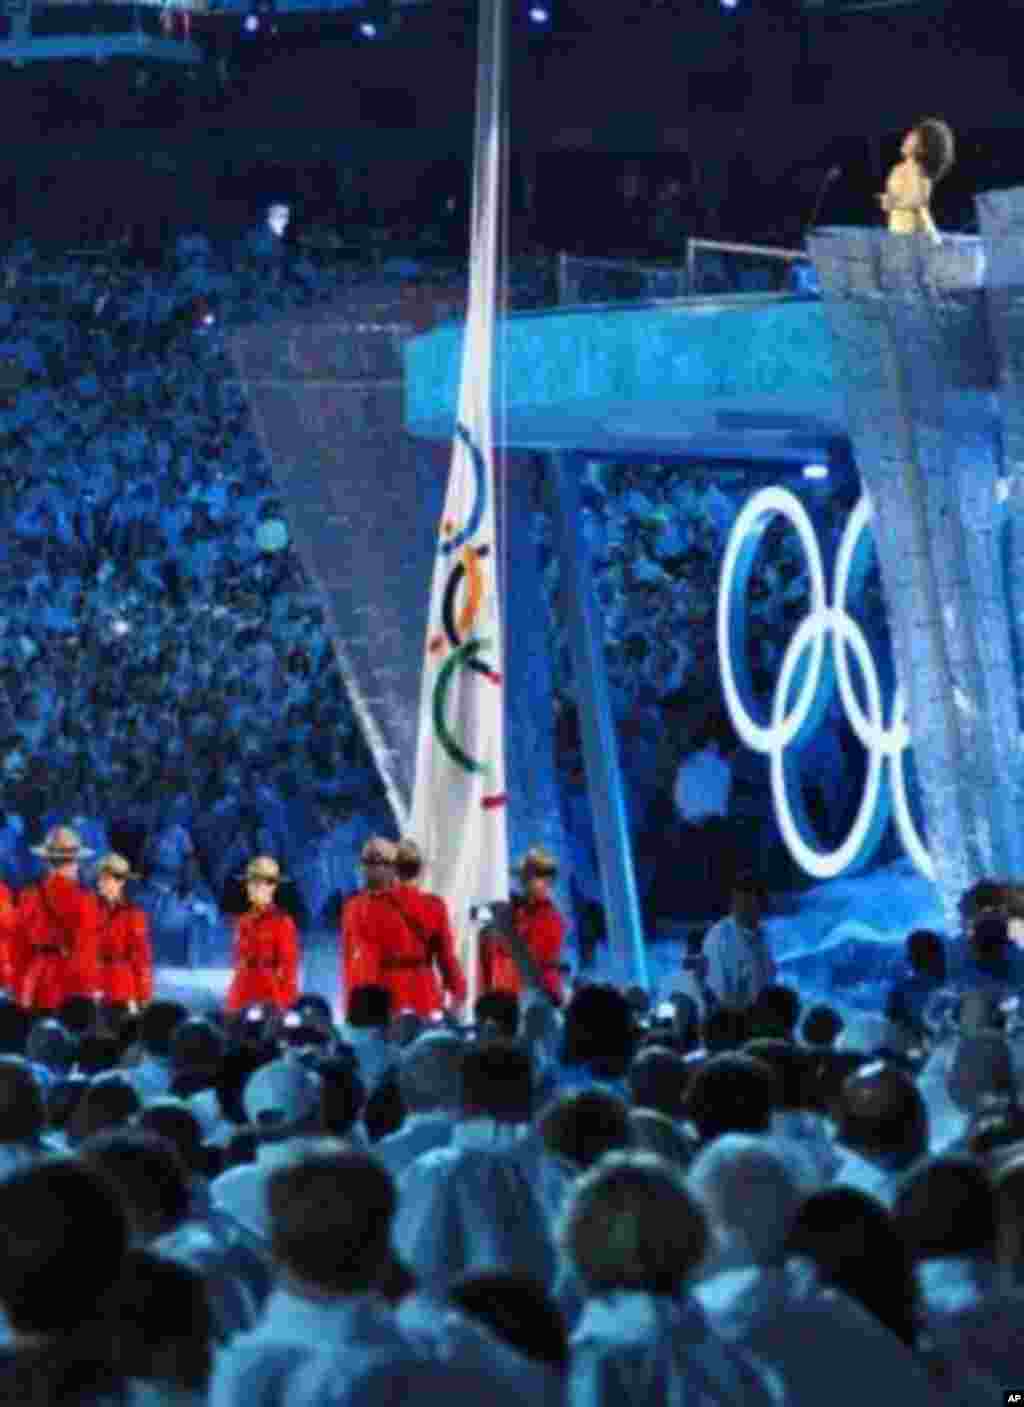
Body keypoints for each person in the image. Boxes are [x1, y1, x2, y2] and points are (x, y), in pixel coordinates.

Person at [12, 826, 101, 1014]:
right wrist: (89, 993)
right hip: (68, 986)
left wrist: (20, 989)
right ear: (74, 862)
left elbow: (18, 948)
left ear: (47, 862)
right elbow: (86, 952)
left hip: (33, 983)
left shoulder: (29, 895)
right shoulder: (85, 899)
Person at [382, 838, 467, 1016]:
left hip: (387, 994)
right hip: (424, 992)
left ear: (392, 870)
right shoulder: (434, 906)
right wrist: (459, 992)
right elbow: (446, 958)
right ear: (419, 871)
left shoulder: (376, 906)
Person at [480, 848, 566, 1004]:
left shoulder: (550, 919)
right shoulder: (513, 905)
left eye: (539, 876)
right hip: (504, 989)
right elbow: (477, 916)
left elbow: (529, 959)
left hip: (537, 994)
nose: (531, 881)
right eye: (528, 876)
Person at [690, 874, 776, 1020]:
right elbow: (717, 991)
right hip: (731, 1022)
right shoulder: (719, 937)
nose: (741, 909)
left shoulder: (764, 934)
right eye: (738, 903)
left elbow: (768, 977)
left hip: (760, 1017)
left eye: (750, 903)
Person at [224, 857, 300, 1018]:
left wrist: (285, 1004)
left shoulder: (283, 923)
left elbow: (289, 967)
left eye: (259, 883)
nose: (253, 888)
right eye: (251, 883)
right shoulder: (243, 921)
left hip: (270, 991)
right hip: (242, 989)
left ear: (272, 888)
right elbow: (238, 959)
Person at [877, 118, 954, 244]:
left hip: (919, 236)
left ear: (922, 149)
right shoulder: (897, 170)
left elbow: (917, 200)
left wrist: (894, 203)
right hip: (899, 233)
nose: (906, 138)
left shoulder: (920, 172)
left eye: (912, 138)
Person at [93, 853, 152, 1014]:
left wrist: (144, 995)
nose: (100, 884)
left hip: (123, 988)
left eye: (105, 879)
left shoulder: (134, 915)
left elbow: (141, 959)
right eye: (99, 879)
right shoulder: (93, 911)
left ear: (120, 882)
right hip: (96, 987)